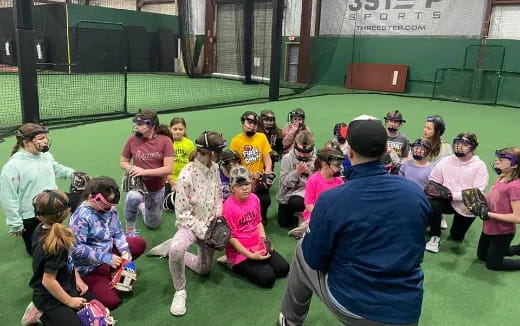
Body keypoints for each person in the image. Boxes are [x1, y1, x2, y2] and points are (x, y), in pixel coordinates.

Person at [279, 117, 432, 326]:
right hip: (407, 310)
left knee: (302, 249)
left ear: (349, 151)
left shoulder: (333, 199)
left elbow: (315, 260)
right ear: (385, 149)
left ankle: (289, 321)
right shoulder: (415, 193)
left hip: (356, 306)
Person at [169, 131, 225, 317]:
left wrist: (218, 218)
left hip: (210, 224)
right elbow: (183, 215)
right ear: (209, 152)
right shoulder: (186, 176)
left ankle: (169, 251)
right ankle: (180, 291)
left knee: (203, 270)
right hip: (191, 227)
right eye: (218, 151)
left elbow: (218, 194)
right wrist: (203, 232)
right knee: (177, 249)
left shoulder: (215, 168)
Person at [69, 176, 147, 310]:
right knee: (112, 302)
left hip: (109, 253)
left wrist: (125, 251)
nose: (110, 208)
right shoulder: (81, 217)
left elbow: (117, 231)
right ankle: (107, 277)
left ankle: (113, 273)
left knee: (139, 244)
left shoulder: (109, 209)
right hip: (89, 267)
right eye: (107, 204)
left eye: (112, 204)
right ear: (93, 197)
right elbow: (77, 249)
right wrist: (105, 258)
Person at [0, 123, 76, 255]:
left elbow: (56, 168)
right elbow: (8, 197)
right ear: (26, 142)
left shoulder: (45, 156)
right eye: (41, 138)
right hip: (30, 217)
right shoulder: (13, 167)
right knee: (37, 251)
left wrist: (74, 173)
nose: (45, 140)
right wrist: (15, 223)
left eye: (45, 137)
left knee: (58, 246)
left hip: (53, 209)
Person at [24, 190, 91, 326]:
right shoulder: (55, 243)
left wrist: (77, 278)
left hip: (67, 285)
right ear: (67, 211)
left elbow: (68, 260)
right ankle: (38, 313)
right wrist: (69, 301)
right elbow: (48, 281)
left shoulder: (44, 228)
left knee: (94, 306)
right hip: (48, 297)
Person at [222, 165, 290, 288]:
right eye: (239, 185)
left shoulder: (254, 198)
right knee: (268, 279)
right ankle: (230, 263)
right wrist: (250, 255)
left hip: (257, 244)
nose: (244, 188)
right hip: (240, 252)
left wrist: (264, 241)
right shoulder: (228, 207)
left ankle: (256, 262)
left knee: (283, 269)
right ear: (232, 188)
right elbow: (231, 237)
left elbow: (258, 222)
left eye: (247, 184)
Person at [425, 132, 489, 253]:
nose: (459, 146)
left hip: (466, 205)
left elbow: (477, 191)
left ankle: (450, 225)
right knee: (432, 203)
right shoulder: (446, 161)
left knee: (456, 237)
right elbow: (433, 180)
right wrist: (441, 193)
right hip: (446, 200)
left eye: (465, 144)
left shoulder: (480, 166)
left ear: (473, 147)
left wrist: (452, 195)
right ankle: (435, 236)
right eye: (458, 143)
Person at [120, 110, 174, 233]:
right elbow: (123, 162)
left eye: (140, 124)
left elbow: (168, 169)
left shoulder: (165, 141)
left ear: (151, 126)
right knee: (133, 197)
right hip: (138, 184)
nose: (136, 127)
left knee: (153, 224)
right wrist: (132, 169)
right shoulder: (132, 140)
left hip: (156, 187)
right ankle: (130, 228)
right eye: (136, 124)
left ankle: (142, 205)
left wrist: (144, 171)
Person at [477, 148, 520, 270]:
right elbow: (492, 199)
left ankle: (511, 250)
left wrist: (489, 214)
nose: (497, 162)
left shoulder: (515, 187)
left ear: (515, 165)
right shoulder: (501, 178)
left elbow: (517, 217)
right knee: (482, 256)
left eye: (501, 160)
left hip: (503, 232)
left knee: (493, 264)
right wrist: (478, 195)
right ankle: (515, 249)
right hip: (489, 227)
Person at [288, 147, 344, 238]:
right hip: (315, 213)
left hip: (332, 213)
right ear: (325, 164)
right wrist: (321, 214)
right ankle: (305, 229)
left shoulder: (339, 181)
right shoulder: (313, 180)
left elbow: (341, 202)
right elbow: (309, 204)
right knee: (318, 226)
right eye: (337, 166)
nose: (339, 168)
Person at [229, 111, 274, 223]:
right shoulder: (236, 141)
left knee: (265, 200)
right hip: (243, 179)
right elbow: (234, 163)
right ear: (242, 122)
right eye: (249, 122)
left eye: (255, 123)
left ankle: (261, 216)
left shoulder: (262, 137)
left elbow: (267, 158)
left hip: (260, 178)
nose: (252, 126)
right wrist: (250, 174)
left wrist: (267, 173)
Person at [277, 131, 316, 228]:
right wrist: (297, 172)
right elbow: (284, 182)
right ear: (295, 146)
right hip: (288, 194)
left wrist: (310, 173)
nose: (303, 156)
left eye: (306, 153)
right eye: (300, 151)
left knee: (297, 202)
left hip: (307, 194)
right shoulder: (287, 158)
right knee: (284, 223)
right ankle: (299, 214)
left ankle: (304, 216)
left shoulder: (316, 160)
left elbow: (319, 182)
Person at [165, 117, 195, 199]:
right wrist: (172, 183)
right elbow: (163, 166)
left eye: (180, 129)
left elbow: (192, 163)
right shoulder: (166, 143)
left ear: (184, 130)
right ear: (170, 129)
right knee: (167, 201)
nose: (178, 132)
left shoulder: (189, 144)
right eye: (175, 129)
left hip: (185, 179)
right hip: (169, 180)